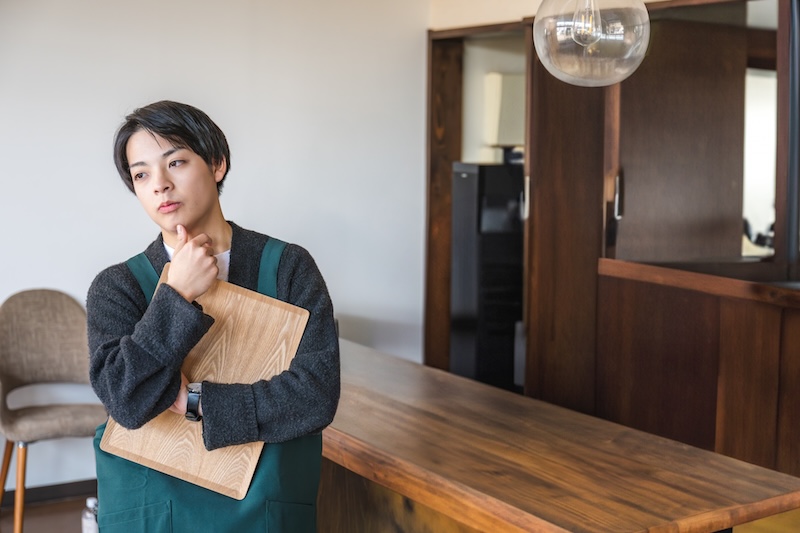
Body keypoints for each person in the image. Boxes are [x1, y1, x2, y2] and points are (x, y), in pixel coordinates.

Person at [87, 100, 340, 532]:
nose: (160, 185)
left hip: (263, 501)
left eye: (177, 162)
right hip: (155, 506)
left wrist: (196, 401)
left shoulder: (288, 267)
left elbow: (316, 395)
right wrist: (176, 293)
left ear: (217, 163)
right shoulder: (118, 286)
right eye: (142, 174)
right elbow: (125, 401)